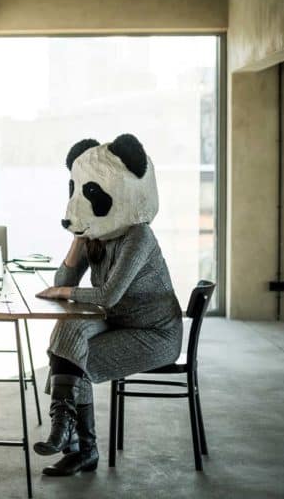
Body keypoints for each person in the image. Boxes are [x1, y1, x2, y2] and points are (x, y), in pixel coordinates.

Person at [31, 135, 183, 477]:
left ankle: (77, 445)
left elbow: (109, 294)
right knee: (68, 328)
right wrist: (77, 240)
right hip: (115, 320)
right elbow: (62, 279)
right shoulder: (98, 233)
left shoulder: (138, 236)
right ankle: (68, 433)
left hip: (154, 333)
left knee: (73, 360)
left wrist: (65, 293)